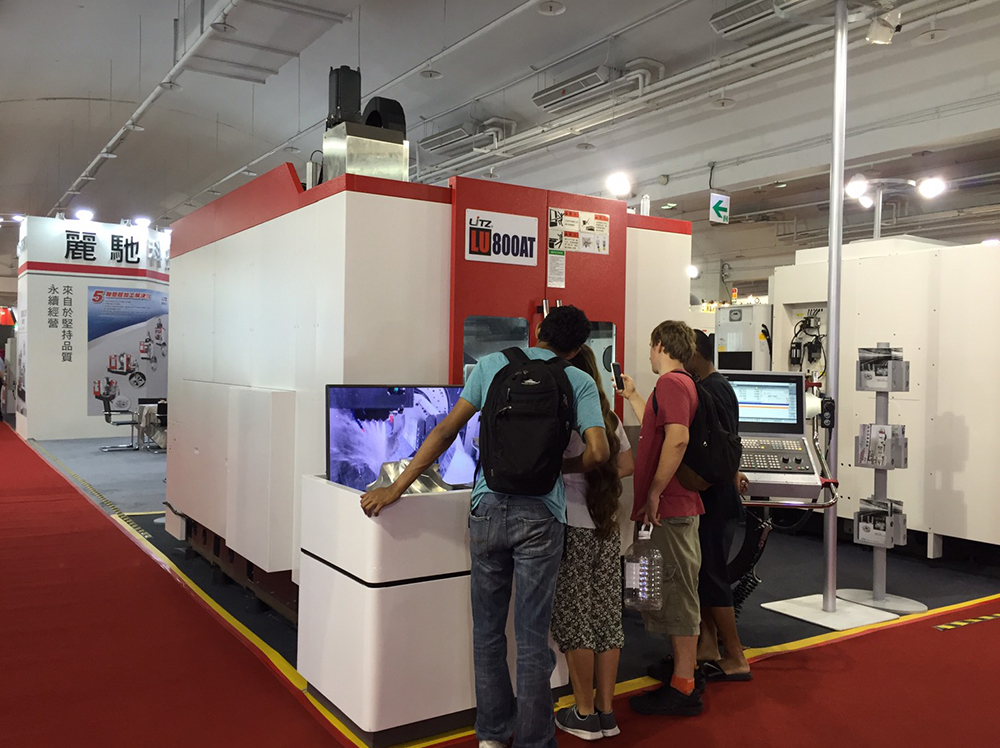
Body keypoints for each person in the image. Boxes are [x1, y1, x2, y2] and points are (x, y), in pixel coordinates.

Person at [360, 305, 610, 748]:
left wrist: (396, 487)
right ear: (576, 349)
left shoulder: (492, 365)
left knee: (488, 631)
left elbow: (444, 432)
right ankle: (534, 741)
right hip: (542, 515)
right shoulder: (578, 380)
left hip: (487, 507)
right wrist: (558, 467)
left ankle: (492, 734)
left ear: (538, 329)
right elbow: (599, 453)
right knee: (531, 638)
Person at [616, 320, 704, 717]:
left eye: (651, 348)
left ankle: (684, 685)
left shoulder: (671, 384)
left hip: (670, 509)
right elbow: (659, 430)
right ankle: (682, 674)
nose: (649, 355)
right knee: (666, 591)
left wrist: (654, 490)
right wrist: (634, 396)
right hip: (671, 509)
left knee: (677, 592)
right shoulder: (680, 385)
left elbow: (678, 437)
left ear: (660, 346)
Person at [551, 345, 635, 741]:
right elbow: (627, 464)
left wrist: (568, 470)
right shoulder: (608, 417)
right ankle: (605, 711)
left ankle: (583, 712)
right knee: (606, 620)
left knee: (575, 620)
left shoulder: (567, 419)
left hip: (572, 525)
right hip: (606, 527)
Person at [684, 330, 752, 681]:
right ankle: (708, 645)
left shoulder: (713, 389)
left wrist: (702, 479)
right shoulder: (712, 386)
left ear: (695, 352)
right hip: (715, 497)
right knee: (705, 577)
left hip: (716, 500)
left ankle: (736, 656)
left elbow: (722, 446)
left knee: (713, 576)